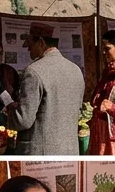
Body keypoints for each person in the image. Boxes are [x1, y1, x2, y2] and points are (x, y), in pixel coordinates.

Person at [10, 28, 85, 156]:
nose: (28, 50)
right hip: (69, 151)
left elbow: (24, 120)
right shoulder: (76, 70)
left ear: (41, 42)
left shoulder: (34, 72)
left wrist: (11, 112)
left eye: (30, 44)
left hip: (41, 152)